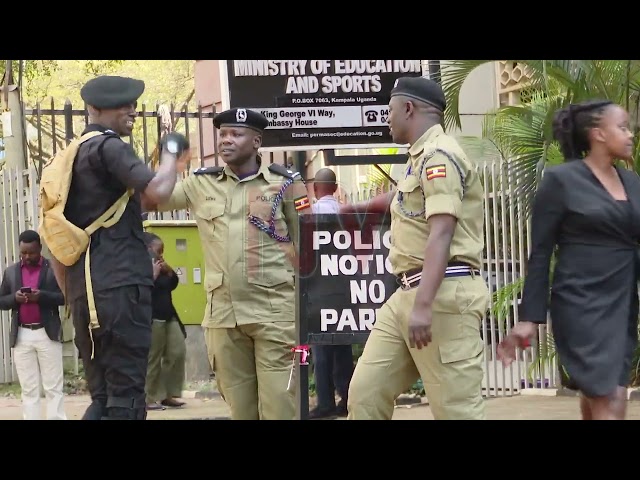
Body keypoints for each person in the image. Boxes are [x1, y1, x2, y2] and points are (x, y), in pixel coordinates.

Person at [143, 107, 312, 420]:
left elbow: (306, 249)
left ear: (256, 141)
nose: (226, 141)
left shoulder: (286, 184)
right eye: (223, 134)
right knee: (241, 411)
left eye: (236, 134)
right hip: (223, 316)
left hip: (276, 315)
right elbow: (152, 197)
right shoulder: (200, 184)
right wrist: (169, 155)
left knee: (280, 409)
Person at [342, 76, 490, 420]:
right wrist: (353, 210)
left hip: (442, 296)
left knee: (457, 410)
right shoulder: (420, 157)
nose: (387, 118)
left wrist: (424, 305)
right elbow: (403, 198)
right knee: (366, 392)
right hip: (406, 295)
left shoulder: (440, 155)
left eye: (390, 110)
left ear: (408, 108)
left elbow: (442, 231)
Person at [48, 75, 190, 420]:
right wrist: (171, 152)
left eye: (133, 103)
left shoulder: (69, 157)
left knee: (103, 398)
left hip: (86, 294)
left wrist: (72, 294)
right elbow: (157, 192)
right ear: (94, 109)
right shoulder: (108, 146)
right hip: (121, 291)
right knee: (126, 398)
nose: (132, 110)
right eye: (122, 104)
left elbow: (52, 235)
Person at [497, 99, 640, 421]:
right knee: (610, 399)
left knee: (605, 394)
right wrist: (528, 318)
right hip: (580, 304)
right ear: (598, 134)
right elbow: (541, 252)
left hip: (622, 304)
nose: (630, 134)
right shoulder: (561, 181)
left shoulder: (633, 183)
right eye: (622, 127)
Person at [0, 230, 66, 420]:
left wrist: (41, 296)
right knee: (29, 388)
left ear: (40, 249)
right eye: (23, 253)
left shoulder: (53, 269)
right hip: (21, 336)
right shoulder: (11, 272)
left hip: (48, 334)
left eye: (31, 252)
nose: (27, 257)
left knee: (53, 386)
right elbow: (1, 300)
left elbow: (65, 298)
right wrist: (15, 298)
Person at [308, 168, 354, 419]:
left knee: (321, 347)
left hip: (319, 289)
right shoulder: (348, 214)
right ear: (335, 188)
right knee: (343, 347)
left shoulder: (311, 214)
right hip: (344, 289)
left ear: (316, 189)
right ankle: (346, 399)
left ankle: (325, 402)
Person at [143, 232, 188, 411]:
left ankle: (169, 394)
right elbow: (141, 290)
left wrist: (169, 272)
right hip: (152, 316)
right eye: (157, 249)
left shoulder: (161, 264)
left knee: (177, 351)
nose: (160, 253)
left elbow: (172, 285)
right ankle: (148, 397)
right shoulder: (140, 265)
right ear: (148, 248)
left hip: (169, 314)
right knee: (153, 358)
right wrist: (152, 275)